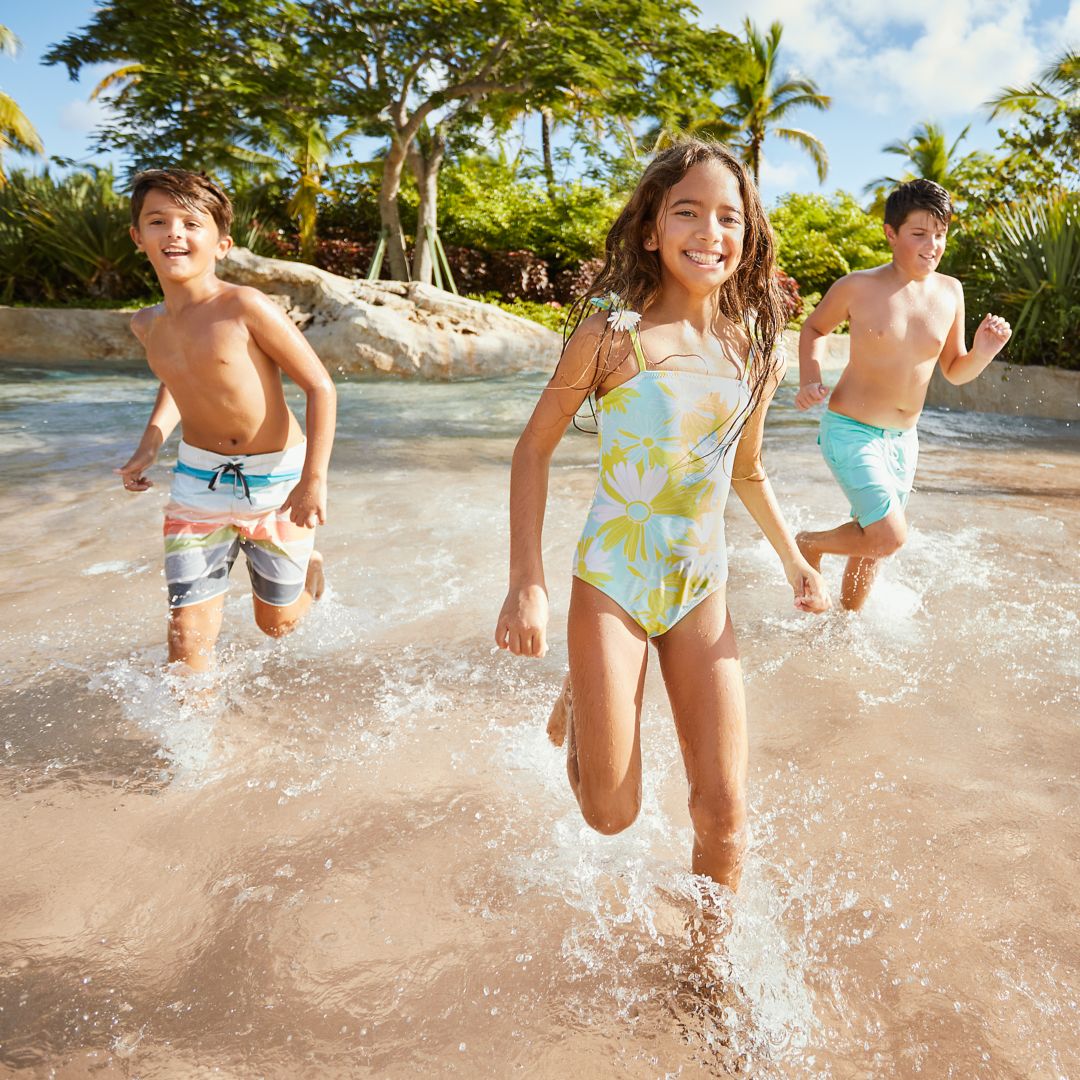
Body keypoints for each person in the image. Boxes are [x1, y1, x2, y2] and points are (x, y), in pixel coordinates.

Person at [494, 140, 830, 891]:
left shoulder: (757, 354)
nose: (710, 231)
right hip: (612, 580)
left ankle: (710, 974)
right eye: (688, 212)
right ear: (651, 229)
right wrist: (527, 584)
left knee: (725, 813)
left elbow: (744, 468)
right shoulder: (612, 334)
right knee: (610, 814)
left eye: (728, 217)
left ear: (748, 239)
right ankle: (586, 686)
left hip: (700, 587)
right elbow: (531, 451)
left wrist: (792, 559)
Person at [117, 168, 336, 672]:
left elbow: (320, 386)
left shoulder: (244, 306)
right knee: (185, 637)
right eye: (158, 221)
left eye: (192, 223)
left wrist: (313, 481)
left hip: (277, 479)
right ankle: (192, 750)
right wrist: (151, 443)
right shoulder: (146, 324)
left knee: (276, 625)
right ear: (138, 237)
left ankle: (309, 573)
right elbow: (176, 378)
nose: (175, 232)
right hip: (199, 482)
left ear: (221, 244)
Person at [794, 178, 1012, 611]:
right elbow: (814, 327)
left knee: (871, 541)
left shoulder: (951, 291)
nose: (932, 245)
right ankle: (806, 544)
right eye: (919, 234)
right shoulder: (858, 286)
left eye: (941, 234)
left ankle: (844, 624)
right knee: (889, 536)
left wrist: (984, 351)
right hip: (851, 430)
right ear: (891, 234)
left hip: (904, 442)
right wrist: (809, 378)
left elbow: (954, 369)